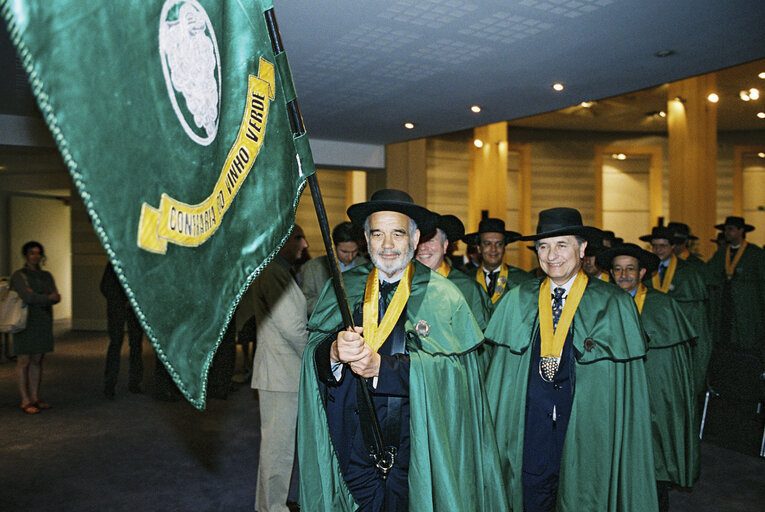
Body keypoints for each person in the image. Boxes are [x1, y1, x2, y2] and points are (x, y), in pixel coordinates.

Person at [297, 189, 506, 511]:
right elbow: (314, 357)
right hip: (351, 441)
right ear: (366, 239)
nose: (388, 245)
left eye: (397, 233)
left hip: (420, 445)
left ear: (415, 237)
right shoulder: (342, 287)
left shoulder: (443, 295)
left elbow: (457, 377)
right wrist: (333, 353)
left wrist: (385, 368)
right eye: (377, 234)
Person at [484, 208, 657, 512]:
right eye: (543, 246)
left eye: (562, 245)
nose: (552, 255)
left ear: (582, 248)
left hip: (588, 434)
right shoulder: (518, 298)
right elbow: (498, 378)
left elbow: (626, 389)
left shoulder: (612, 304)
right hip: (528, 434)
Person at [597, 243, 699, 511]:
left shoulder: (662, 306)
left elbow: (672, 370)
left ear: (643, 273)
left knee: (654, 459)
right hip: (611, 396)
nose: (623, 275)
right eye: (617, 269)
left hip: (653, 397)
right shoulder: (598, 305)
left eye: (630, 269)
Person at [251, 225, 309, 512]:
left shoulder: (277, 270)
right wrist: (317, 358)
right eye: (299, 238)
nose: (305, 244)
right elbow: (294, 330)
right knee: (278, 450)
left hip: (280, 373)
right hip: (280, 374)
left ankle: (270, 506)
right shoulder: (273, 272)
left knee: (276, 448)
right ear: (283, 240)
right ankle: (272, 508)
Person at [640, 226, 711, 395]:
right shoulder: (644, 272)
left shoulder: (689, 272)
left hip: (678, 338)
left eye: (662, 246)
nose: (657, 250)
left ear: (673, 247)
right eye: (654, 246)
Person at [415, 214, 491, 329]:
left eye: (431, 240)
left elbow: (481, 337)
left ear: (445, 246)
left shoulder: (467, 288)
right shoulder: (403, 284)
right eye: (420, 240)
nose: (423, 247)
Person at [10, 241, 61, 414]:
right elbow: (27, 297)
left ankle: (35, 397)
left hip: (42, 320)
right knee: (23, 361)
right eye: (32, 253)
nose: (35, 256)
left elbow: (56, 296)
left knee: (37, 361)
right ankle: (25, 399)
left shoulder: (46, 275)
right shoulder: (19, 275)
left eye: (38, 253)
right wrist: (47, 297)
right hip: (24, 321)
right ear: (26, 255)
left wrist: (40, 296)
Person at [705, 216, 764, 359]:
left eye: (730, 229)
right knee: (725, 345)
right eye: (725, 229)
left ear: (741, 231)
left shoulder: (755, 253)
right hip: (724, 306)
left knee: (745, 345)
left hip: (747, 309)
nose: (727, 233)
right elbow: (708, 274)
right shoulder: (721, 253)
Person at [299, 221, 365, 316]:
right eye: (344, 252)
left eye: (354, 251)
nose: (350, 257)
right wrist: (335, 305)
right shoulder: (313, 267)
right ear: (333, 246)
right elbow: (305, 302)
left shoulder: (365, 266)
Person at [463, 217, 528, 310]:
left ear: (504, 248)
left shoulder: (522, 280)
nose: (493, 249)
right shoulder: (467, 280)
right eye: (488, 244)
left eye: (499, 244)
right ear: (478, 248)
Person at [100, 261, 144, 399]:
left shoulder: (138, 260)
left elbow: (144, 284)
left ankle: (135, 382)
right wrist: (121, 301)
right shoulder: (113, 262)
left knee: (136, 345)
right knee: (116, 344)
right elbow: (105, 287)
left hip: (135, 309)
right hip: (117, 309)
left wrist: (133, 300)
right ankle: (110, 384)